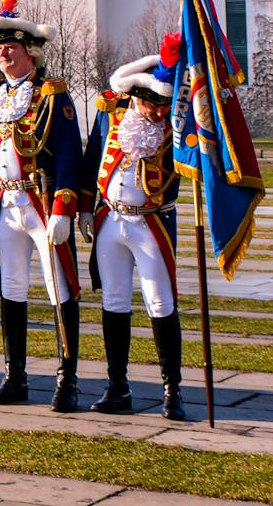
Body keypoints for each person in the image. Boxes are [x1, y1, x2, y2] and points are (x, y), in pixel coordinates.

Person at [0, 0, 85, 411]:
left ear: (30, 51)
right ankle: (14, 375)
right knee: (12, 288)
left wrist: (63, 207)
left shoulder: (51, 94)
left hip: (41, 202)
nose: (3, 54)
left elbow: (70, 155)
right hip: (6, 203)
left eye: (11, 46)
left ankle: (67, 377)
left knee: (59, 289)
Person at [88, 34, 187, 420]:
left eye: (163, 105)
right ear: (133, 95)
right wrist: (82, 208)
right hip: (110, 219)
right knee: (114, 302)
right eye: (150, 103)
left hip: (151, 223)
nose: (157, 112)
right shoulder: (111, 116)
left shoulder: (176, 127)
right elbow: (91, 160)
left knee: (160, 303)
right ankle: (118, 386)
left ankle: (171, 388)